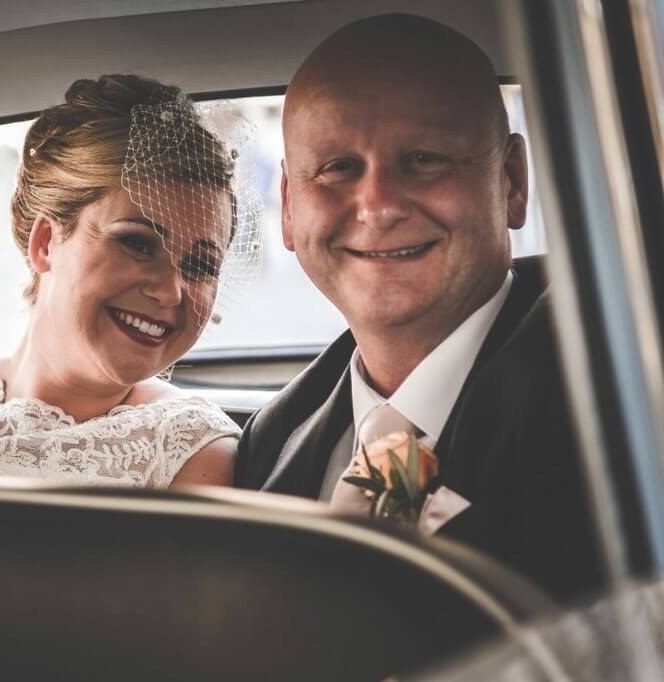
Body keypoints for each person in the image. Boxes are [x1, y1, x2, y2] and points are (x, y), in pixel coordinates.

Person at [234, 14, 604, 602]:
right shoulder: (269, 443)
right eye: (337, 168)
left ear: (511, 181)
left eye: (425, 159)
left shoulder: (621, 390)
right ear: (286, 206)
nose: (378, 205)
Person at [0, 74, 257, 488]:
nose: (170, 291)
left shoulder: (192, 450)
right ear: (45, 242)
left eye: (201, 265)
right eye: (137, 243)